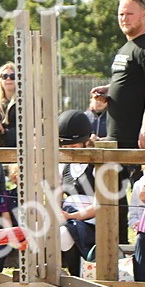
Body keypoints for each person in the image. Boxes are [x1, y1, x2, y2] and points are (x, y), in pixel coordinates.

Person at [94, 0, 145, 150]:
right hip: (118, 137)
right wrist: (109, 90)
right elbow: (134, 81)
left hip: (140, 140)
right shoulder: (126, 47)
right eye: (121, 14)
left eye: (129, 14)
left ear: (144, 15)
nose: (124, 18)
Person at [56, 110, 98, 278]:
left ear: (85, 143)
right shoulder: (63, 167)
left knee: (65, 234)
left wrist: (74, 217)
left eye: (73, 147)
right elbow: (56, 197)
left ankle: (77, 275)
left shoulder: (96, 167)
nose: (69, 152)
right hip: (68, 216)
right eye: (66, 148)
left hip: (90, 221)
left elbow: (99, 206)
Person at [0, 63, 19, 148]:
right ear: (0, 80)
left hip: (17, 145)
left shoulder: (24, 100)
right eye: (4, 76)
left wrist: (4, 132)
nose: (8, 79)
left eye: (13, 76)